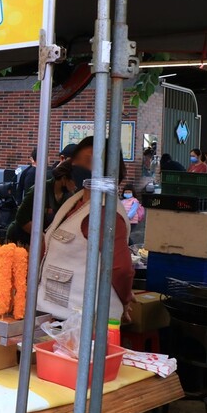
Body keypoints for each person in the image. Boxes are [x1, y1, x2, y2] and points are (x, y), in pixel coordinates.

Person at [38, 136, 134, 322]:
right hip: (52, 312)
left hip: (80, 320)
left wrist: (125, 299)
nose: (78, 164)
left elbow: (121, 269)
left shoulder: (106, 211)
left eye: (89, 160)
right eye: (78, 159)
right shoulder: (77, 200)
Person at [6, 160, 75, 246]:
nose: (75, 187)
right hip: (22, 239)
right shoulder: (39, 190)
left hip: (45, 240)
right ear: (64, 178)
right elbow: (21, 218)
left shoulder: (69, 196)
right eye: (74, 182)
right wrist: (43, 237)